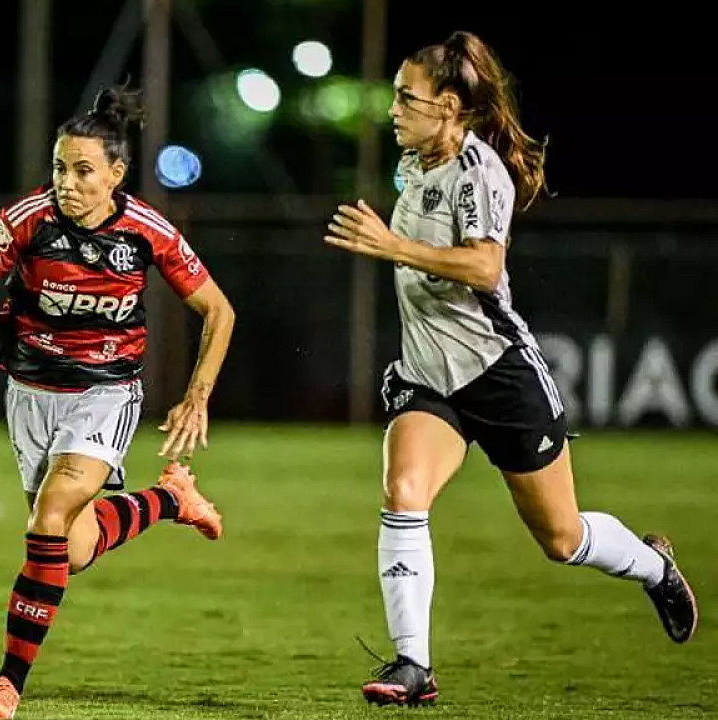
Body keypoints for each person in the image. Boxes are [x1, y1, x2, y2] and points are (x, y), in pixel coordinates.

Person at [323, 30, 697, 706]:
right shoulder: (415, 164)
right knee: (404, 493)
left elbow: (484, 266)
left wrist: (392, 246)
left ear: (450, 108)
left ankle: (652, 566)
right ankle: (413, 665)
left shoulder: (477, 172)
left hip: (499, 375)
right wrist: (398, 249)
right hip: (429, 378)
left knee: (562, 536)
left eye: (408, 98)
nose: (393, 110)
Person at [0, 84, 236, 719]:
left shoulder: (146, 231)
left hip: (105, 395)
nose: (68, 182)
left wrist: (197, 397)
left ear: (116, 173)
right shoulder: (27, 221)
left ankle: (8, 683)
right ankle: (169, 499)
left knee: (48, 521)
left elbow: (217, 309)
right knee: (70, 549)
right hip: (29, 394)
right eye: (59, 167)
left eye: (83, 170)